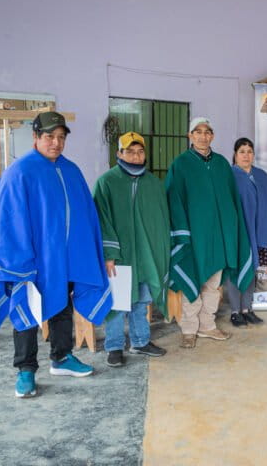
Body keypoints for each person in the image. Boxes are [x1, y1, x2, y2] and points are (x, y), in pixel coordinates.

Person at [0, 111, 112, 398]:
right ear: (36, 137)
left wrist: (84, 254)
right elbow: (7, 221)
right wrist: (19, 261)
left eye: (61, 137)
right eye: (50, 136)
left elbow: (85, 216)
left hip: (63, 260)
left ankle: (61, 358)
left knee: (61, 307)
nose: (56, 143)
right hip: (31, 260)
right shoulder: (20, 172)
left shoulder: (71, 171)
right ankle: (25, 370)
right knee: (27, 311)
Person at [166, 117, 254, 348]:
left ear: (212, 136)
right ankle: (189, 329)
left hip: (219, 237)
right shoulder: (181, 164)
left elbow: (231, 201)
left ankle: (207, 326)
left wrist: (231, 232)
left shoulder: (222, 164)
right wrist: (182, 235)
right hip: (194, 238)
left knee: (214, 285)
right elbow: (173, 201)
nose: (203, 136)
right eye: (198, 132)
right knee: (193, 281)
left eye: (208, 132)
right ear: (190, 136)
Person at [93, 132, 169, 367]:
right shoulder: (107, 181)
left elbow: (161, 220)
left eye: (140, 151)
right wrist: (110, 254)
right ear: (119, 154)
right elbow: (101, 220)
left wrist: (159, 251)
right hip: (120, 256)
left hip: (146, 254)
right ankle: (114, 346)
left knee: (141, 300)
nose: (136, 156)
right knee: (118, 301)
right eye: (130, 151)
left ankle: (140, 341)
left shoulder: (153, 183)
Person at [228, 137, 267, 327]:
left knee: (252, 269)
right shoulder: (230, 176)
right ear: (235, 155)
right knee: (235, 270)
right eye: (242, 151)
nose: (246, 155)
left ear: (254, 155)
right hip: (237, 232)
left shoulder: (261, 175)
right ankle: (234, 311)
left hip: (257, 233)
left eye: (249, 152)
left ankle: (247, 309)